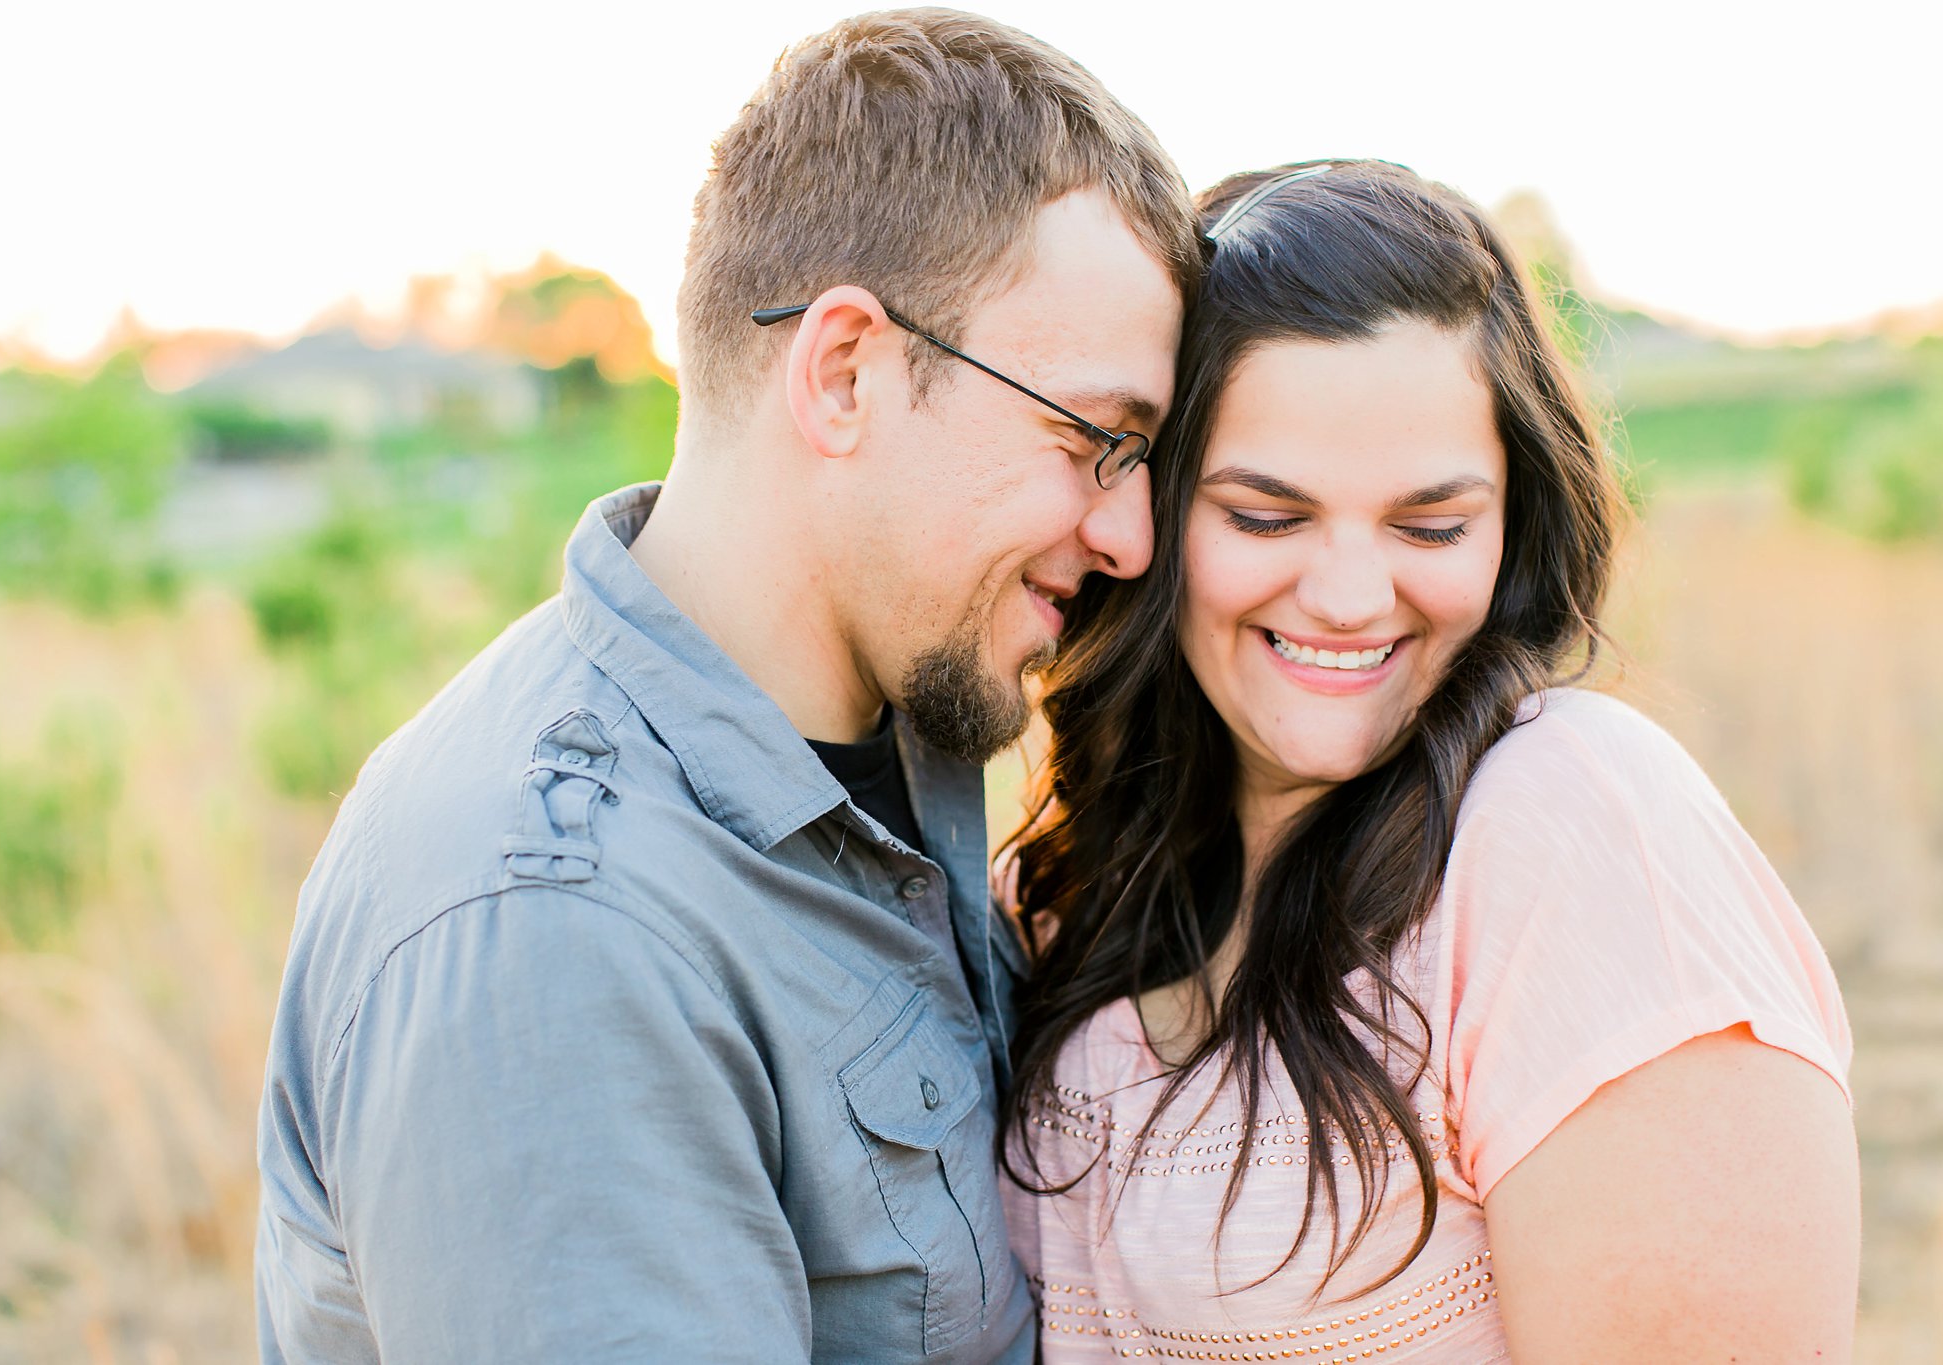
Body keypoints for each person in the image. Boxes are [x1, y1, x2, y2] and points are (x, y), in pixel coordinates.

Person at [251, 10, 1202, 1363]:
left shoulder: (891, 740)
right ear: (846, 371)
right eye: (1094, 439)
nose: (1130, 537)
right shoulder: (561, 936)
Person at [1000, 160, 1859, 1362]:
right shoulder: (1074, 890)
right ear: (1147, 508)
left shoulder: (1574, 828)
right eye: (1264, 516)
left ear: (1512, 527)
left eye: (1429, 526)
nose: (1351, 598)